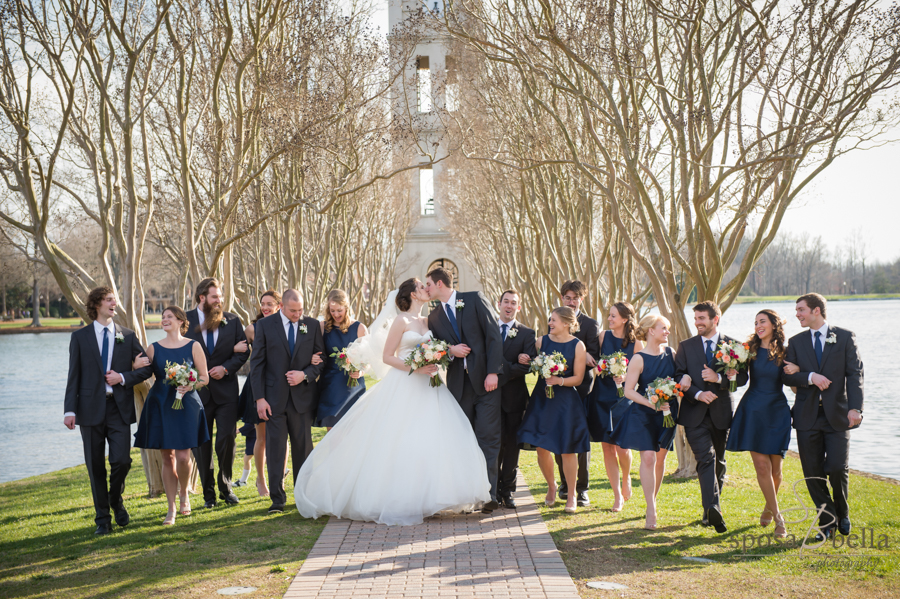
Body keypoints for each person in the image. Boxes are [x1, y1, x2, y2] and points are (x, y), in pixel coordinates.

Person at [294, 279, 491, 525]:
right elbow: (388, 356)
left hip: (431, 385)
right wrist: (415, 368)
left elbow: (437, 347)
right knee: (401, 438)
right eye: (421, 287)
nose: (425, 289)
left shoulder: (428, 321)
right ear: (410, 294)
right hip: (406, 382)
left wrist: (440, 356)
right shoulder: (401, 321)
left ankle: (429, 497)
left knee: (432, 438)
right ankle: (398, 497)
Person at [63, 287, 153, 534]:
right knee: (95, 466)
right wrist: (69, 410)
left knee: (122, 461)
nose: (115, 303)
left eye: (115, 298)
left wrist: (123, 377)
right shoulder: (80, 338)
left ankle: (115, 499)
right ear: (97, 305)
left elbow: (146, 368)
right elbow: (74, 376)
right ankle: (102, 519)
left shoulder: (127, 335)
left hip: (119, 408)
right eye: (109, 299)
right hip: (89, 409)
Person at [782, 293, 864, 540]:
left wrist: (856, 408)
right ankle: (827, 522)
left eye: (801, 310)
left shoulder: (845, 337)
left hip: (838, 414)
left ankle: (843, 512)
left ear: (816, 310)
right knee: (813, 472)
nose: (797, 314)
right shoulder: (796, 342)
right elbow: (786, 376)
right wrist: (809, 376)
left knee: (837, 467)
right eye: (797, 310)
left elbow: (855, 375)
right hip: (807, 416)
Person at [426, 267, 505, 512]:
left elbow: (493, 336)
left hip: (486, 382)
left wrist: (493, 372)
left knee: (488, 438)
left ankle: (489, 495)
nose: (426, 289)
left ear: (440, 283)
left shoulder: (473, 299)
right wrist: (450, 350)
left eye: (428, 284)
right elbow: (439, 349)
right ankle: (469, 493)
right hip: (459, 387)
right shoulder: (434, 316)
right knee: (464, 440)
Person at [673, 300, 747, 534]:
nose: (697, 323)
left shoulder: (734, 346)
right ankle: (714, 507)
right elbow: (678, 374)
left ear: (716, 319)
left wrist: (719, 380)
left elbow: (742, 379)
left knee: (720, 462)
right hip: (694, 413)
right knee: (705, 459)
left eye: (702, 319)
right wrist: (696, 392)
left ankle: (709, 512)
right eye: (695, 319)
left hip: (721, 412)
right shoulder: (686, 346)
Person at [134, 306, 210, 525]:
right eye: (163, 317)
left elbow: (205, 377)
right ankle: (171, 507)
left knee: (184, 457)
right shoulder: (153, 348)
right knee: (167, 457)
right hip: (161, 405)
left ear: (180, 321)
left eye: (169, 317)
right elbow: (142, 372)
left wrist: (190, 383)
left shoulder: (194, 346)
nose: (164, 320)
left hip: (187, 405)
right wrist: (134, 364)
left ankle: (184, 493)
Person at [251, 289, 325, 514]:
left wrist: (305, 374)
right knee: (275, 450)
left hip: (302, 398)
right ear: (282, 306)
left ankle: (303, 496)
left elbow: (321, 361)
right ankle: (277, 500)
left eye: (301, 309)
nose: (298, 314)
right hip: (274, 399)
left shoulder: (311, 325)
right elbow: (257, 365)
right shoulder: (264, 326)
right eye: (293, 310)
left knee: (303, 450)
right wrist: (260, 398)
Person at [725, 309, 792, 538]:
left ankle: (768, 507)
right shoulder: (749, 350)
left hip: (777, 411)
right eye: (755, 322)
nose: (758, 326)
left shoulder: (786, 351)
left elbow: (792, 382)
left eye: (762, 322)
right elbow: (741, 380)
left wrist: (798, 371)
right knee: (762, 466)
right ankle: (779, 519)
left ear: (774, 324)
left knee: (776, 469)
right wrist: (732, 372)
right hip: (752, 410)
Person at [517, 307, 590, 514]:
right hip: (543, 400)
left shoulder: (578, 345)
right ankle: (551, 486)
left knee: (568, 449)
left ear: (566, 323)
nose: (550, 323)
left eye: (554, 320)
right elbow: (531, 360)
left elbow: (578, 377)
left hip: (566, 402)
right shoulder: (541, 342)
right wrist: (526, 359)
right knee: (541, 447)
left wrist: (560, 380)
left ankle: (573, 494)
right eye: (550, 320)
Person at [613, 314, 682, 530]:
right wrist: (651, 404)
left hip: (667, 412)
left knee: (660, 459)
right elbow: (628, 391)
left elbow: (680, 377)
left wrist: (685, 381)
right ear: (651, 330)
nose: (667, 332)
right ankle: (651, 509)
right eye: (663, 328)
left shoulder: (671, 353)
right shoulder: (638, 358)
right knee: (649, 458)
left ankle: (652, 500)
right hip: (643, 414)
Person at [185, 277, 250, 508]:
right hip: (197, 394)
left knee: (226, 439)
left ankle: (226, 486)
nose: (219, 300)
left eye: (220, 296)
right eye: (215, 297)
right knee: (201, 444)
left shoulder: (232, 320)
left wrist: (226, 368)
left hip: (226, 394)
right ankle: (208, 494)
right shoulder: (185, 320)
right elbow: (177, 350)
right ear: (202, 297)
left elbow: (243, 352)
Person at [587, 301, 643, 512]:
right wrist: (601, 369)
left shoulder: (636, 344)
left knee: (622, 446)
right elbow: (597, 366)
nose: (609, 319)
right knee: (607, 447)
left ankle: (626, 477)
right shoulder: (603, 337)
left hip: (623, 398)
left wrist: (626, 377)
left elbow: (641, 374)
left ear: (624, 319)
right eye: (609, 315)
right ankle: (617, 495)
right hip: (601, 396)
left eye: (612, 316)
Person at [555, 280, 600, 507]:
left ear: (582, 299)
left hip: (581, 389)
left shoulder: (591, 324)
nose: (571, 302)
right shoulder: (554, 320)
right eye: (567, 298)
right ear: (562, 298)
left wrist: (589, 359)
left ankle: (581, 489)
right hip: (557, 389)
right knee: (558, 437)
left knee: (579, 439)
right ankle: (565, 484)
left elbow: (595, 356)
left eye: (575, 298)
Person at [236, 290, 284, 497]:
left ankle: (279, 479)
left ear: (279, 306)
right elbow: (238, 350)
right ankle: (261, 480)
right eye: (262, 303)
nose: (264, 307)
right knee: (261, 437)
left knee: (282, 437)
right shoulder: (251, 329)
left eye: (269, 304)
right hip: (258, 386)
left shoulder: (286, 327)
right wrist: (236, 348)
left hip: (281, 385)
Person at [496, 289, 537, 509]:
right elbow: (483, 361)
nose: (509, 306)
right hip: (490, 397)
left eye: (514, 303)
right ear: (499, 304)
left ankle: (508, 491)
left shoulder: (526, 333)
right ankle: (491, 490)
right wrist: (509, 368)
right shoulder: (488, 329)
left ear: (518, 307)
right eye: (506, 302)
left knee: (512, 446)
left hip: (514, 399)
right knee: (492, 445)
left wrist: (499, 371)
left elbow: (527, 366)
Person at [316, 289, 368, 429]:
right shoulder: (322, 327)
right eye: (332, 310)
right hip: (330, 387)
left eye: (339, 310)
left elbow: (367, 360)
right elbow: (316, 352)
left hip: (353, 386)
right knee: (333, 435)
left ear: (346, 307)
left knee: (353, 434)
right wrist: (314, 357)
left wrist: (361, 372)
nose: (336, 314)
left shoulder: (359, 328)